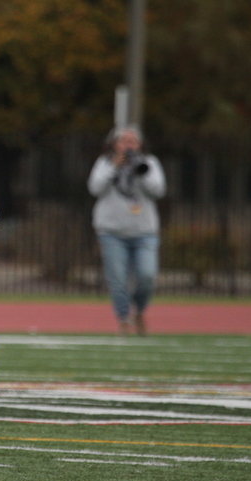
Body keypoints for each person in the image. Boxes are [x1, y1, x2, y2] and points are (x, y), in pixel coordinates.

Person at [87, 125, 166, 336]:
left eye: (132, 141)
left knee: (147, 275)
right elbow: (94, 188)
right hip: (111, 232)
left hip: (144, 232)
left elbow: (158, 189)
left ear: (140, 145)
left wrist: (141, 171)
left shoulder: (150, 163)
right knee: (118, 279)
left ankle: (139, 310)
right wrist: (115, 167)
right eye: (123, 141)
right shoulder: (105, 163)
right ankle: (124, 318)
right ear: (114, 144)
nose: (128, 145)